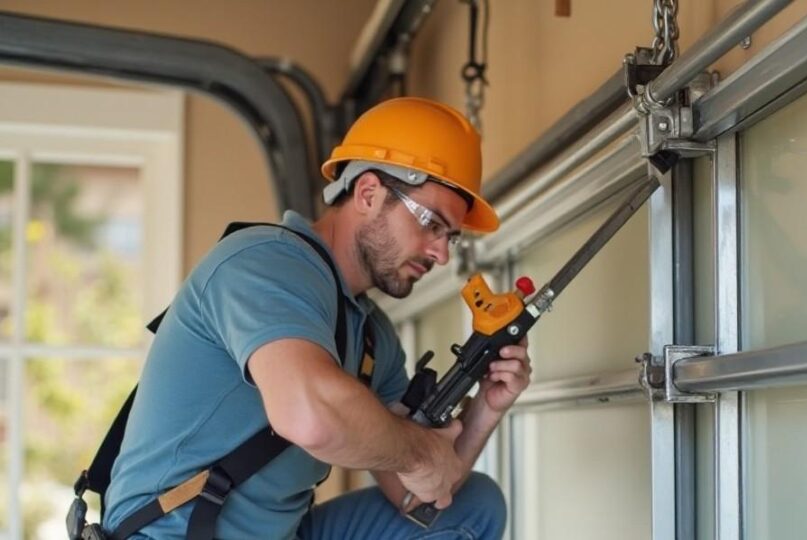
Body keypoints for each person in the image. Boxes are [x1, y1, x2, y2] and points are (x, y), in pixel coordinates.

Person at [101, 97, 531, 539]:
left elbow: (419, 497)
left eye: (450, 237)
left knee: (473, 507)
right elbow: (308, 415)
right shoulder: (264, 263)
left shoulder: (371, 337)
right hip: (171, 535)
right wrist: (419, 453)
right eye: (431, 224)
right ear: (368, 193)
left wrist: (486, 407)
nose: (441, 253)